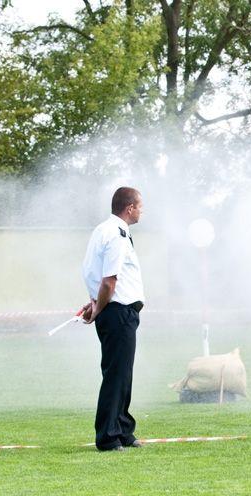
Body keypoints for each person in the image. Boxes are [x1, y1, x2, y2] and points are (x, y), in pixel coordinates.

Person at [81, 187, 145, 452]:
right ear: (129, 208)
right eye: (140, 206)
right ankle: (108, 436)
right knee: (116, 374)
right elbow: (109, 281)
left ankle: (122, 428)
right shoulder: (117, 235)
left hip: (113, 308)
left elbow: (92, 273)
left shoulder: (102, 230)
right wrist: (97, 308)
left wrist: (96, 302)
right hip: (118, 310)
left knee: (123, 373)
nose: (142, 211)